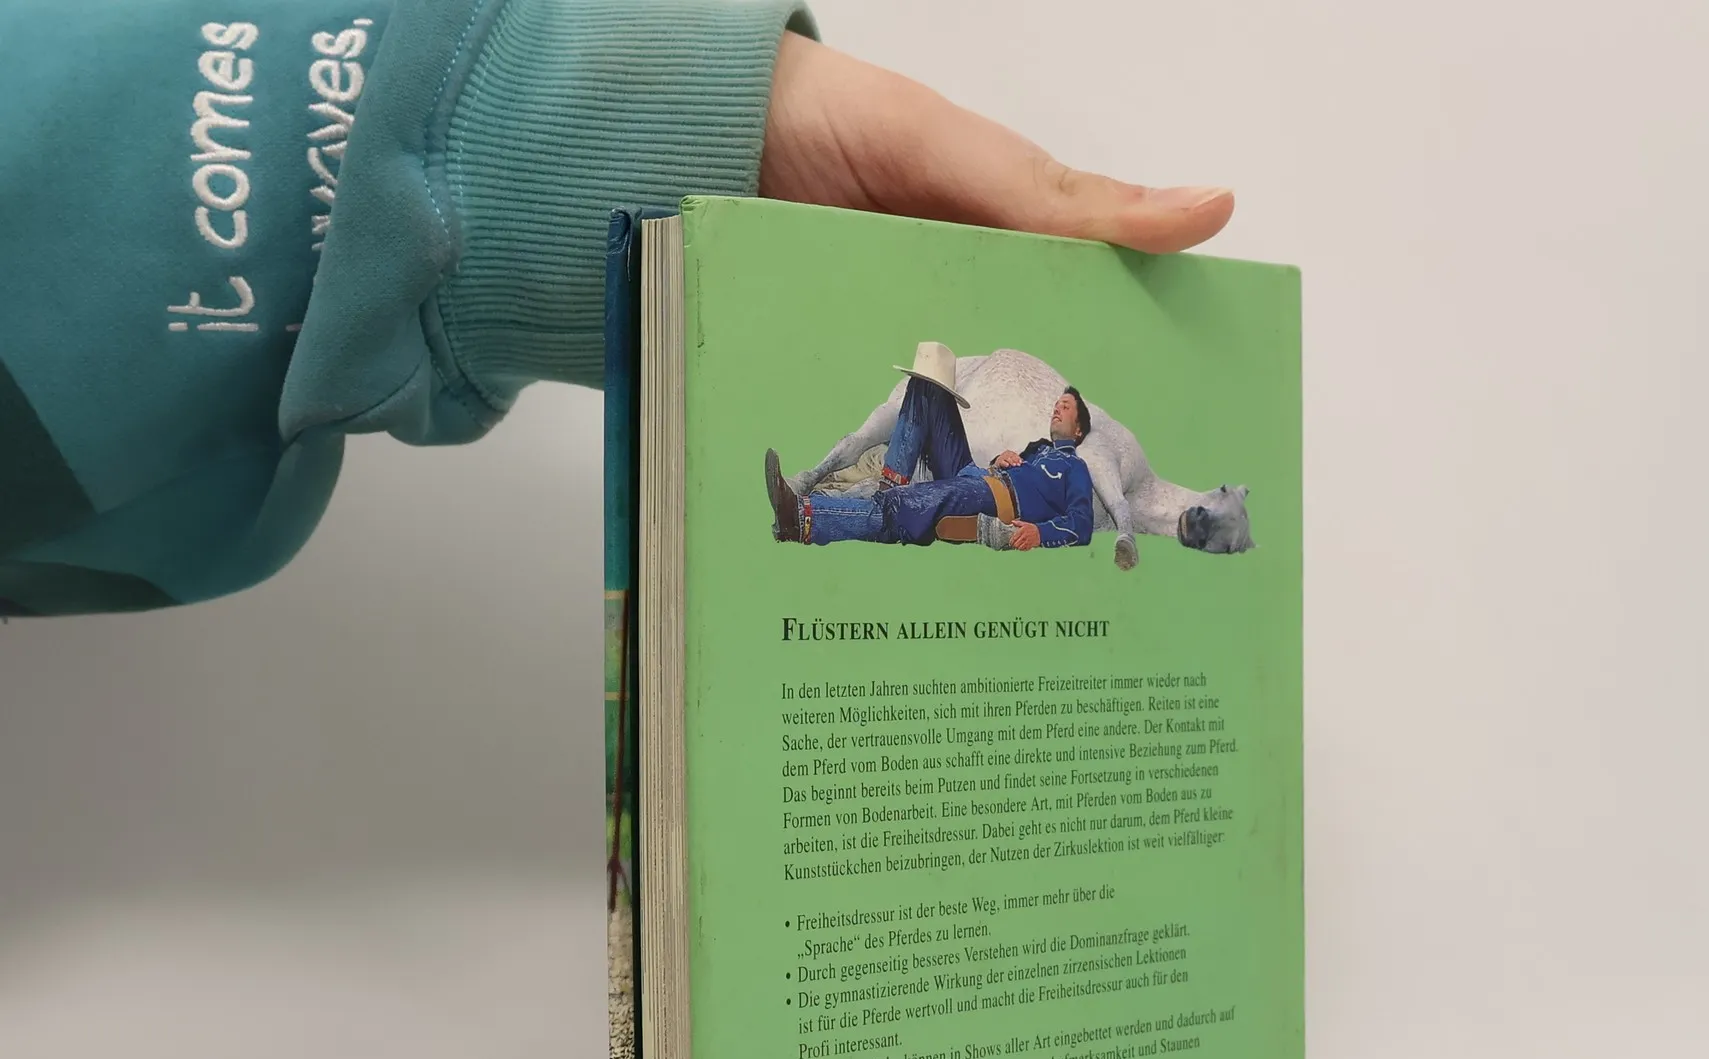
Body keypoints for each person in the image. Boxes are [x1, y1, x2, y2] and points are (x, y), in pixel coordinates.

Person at [0, 5, 1231, 618]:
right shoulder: (1076, 433)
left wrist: (559, 152)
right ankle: (820, 499)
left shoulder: (1102, 470)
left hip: (991, 515)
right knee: (919, 461)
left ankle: (825, 501)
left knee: (930, 496)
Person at [766, 342, 1095, 550]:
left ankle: (801, 517)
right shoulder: (1037, 449)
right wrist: (1000, 459)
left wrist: (1040, 534)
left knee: (902, 507)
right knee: (927, 387)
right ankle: (890, 483)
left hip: (992, 497)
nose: (1056, 408)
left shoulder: (1075, 468)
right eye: (1057, 404)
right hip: (979, 476)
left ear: (1079, 429)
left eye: (1065, 407)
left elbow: (1081, 524)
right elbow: (1007, 470)